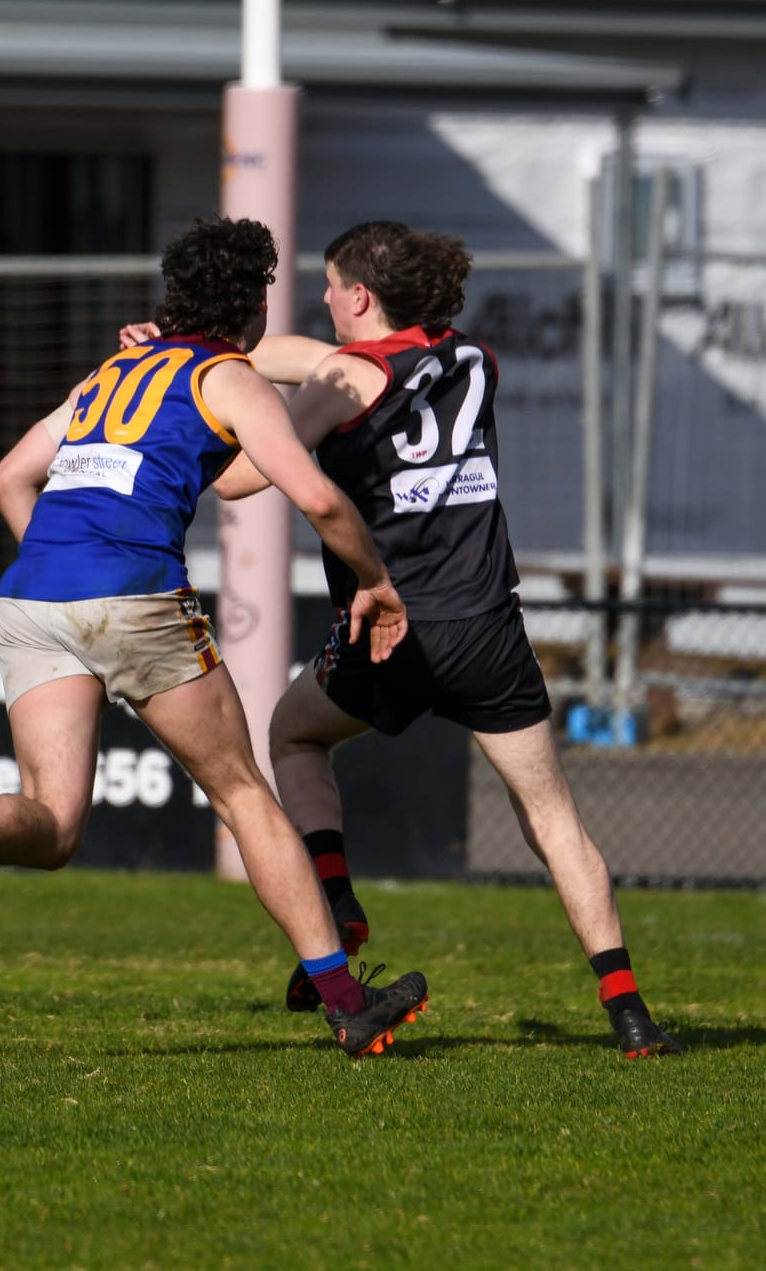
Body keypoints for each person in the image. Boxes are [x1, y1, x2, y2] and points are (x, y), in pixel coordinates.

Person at [122, 219, 681, 1058]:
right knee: (553, 819)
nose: (320, 295)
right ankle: (629, 1010)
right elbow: (328, 360)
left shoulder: (343, 377)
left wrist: (197, 375)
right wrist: (204, 346)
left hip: (389, 630)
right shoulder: (472, 361)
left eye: (330, 282)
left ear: (359, 295)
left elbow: (243, 477)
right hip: (489, 628)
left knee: (293, 732)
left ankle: (338, 899)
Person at [0, 216, 431, 1059]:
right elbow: (319, 501)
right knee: (245, 793)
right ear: (251, 303)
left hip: (30, 596)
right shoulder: (229, 377)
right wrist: (376, 582)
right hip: (134, 596)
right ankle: (345, 1001)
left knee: (56, 824)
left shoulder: (111, 372)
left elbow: (8, 476)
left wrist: (65, 571)